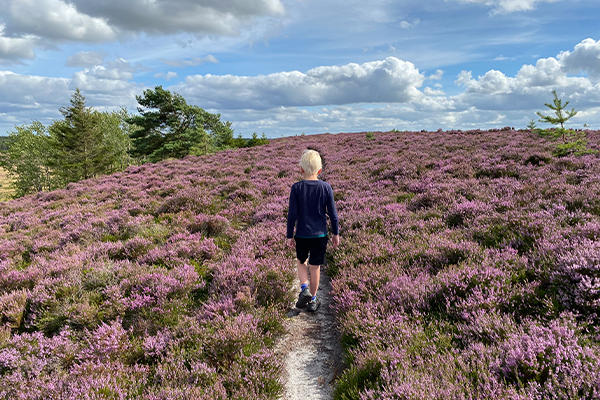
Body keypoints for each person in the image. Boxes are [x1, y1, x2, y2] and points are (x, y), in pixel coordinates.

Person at [286, 149, 340, 312]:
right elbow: (333, 214)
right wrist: (335, 233)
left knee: (301, 261)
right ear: (320, 170)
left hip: (301, 234)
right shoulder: (326, 187)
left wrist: (290, 235)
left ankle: (304, 289)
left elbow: (292, 215)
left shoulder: (296, 188)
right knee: (315, 267)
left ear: (301, 169)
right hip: (320, 235)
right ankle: (313, 300)